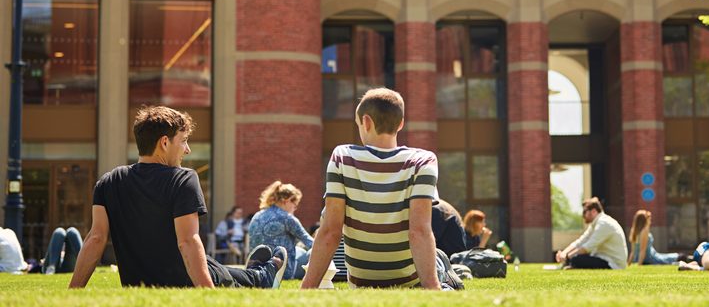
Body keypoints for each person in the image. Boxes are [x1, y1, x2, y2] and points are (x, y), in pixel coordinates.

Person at [68, 105, 287, 289]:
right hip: (186, 281)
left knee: (216, 266)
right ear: (164, 143)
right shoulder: (183, 179)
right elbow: (188, 241)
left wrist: (73, 292)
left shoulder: (108, 181)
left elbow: (95, 238)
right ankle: (262, 276)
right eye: (183, 141)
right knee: (222, 274)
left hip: (140, 284)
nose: (188, 149)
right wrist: (207, 295)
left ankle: (257, 274)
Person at [301, 88, 463, 290]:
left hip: (361, 282)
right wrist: (432, 290)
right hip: (409, 281)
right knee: (439, 259)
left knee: (439, 259)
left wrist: (306, 289)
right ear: (401, 123)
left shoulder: (342, 157)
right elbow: (419, 231)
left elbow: (330, 231)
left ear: (366, 122)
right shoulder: (423, 161)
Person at [248, 181, 314, 280]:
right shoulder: (287, 218)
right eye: (295, 204)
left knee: (298, 249)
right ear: (287, 200)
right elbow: (311, 243)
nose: (295, 208)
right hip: (282, 272)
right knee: (304, 251)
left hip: (256, 268)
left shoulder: (257, 215)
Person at [555, 197, 627, 269]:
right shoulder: (595, 224)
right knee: (576, 258)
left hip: (613, 263)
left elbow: (588, 247)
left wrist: (567, 257)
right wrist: (564, 253)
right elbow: (581, 241)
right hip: (602, 258)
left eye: (584, 212)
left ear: (593, 211)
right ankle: (572, 266)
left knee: (576, 259)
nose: (583, 216)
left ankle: (572, 266)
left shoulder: (604, 223)